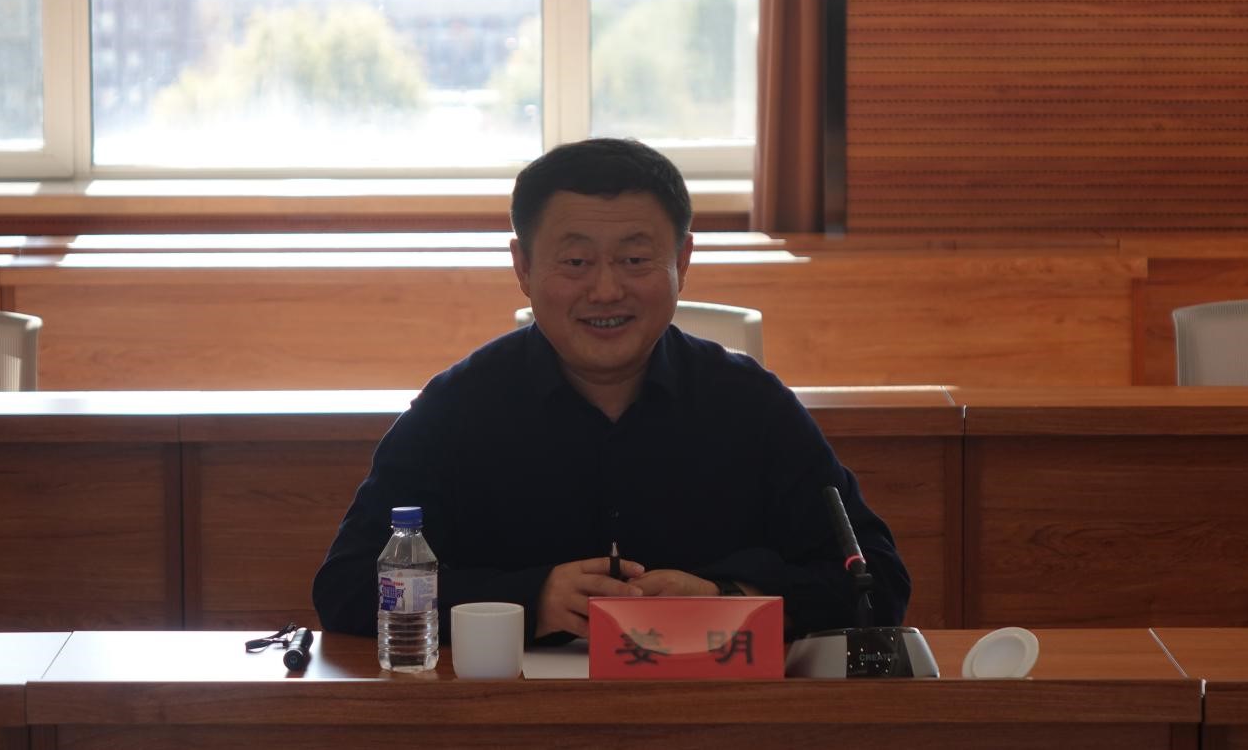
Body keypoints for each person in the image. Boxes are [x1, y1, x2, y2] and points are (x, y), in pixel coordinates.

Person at [313, 137, 910, 644]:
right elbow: (346, 589)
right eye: (575, 262)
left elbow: (878, 582)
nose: (605, 290)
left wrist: (731, 598)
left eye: (635, 259)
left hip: (714, 717)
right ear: (523, 267)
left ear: (682, 260)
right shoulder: (457, 409)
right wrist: (530, 600)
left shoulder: (752, 405)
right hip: (512, 720)